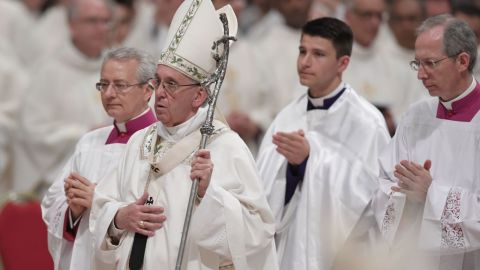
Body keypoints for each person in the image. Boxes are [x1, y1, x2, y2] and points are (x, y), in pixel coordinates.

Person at [90, 0, 278, 269]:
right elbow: (102, 208)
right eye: (158, 81)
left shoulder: (224, 147)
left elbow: (258, 233)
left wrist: (208, 195)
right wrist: (120, 217)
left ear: (199, 95)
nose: (160, 93)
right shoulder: (139, 142)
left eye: (172, 84)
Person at [256, 17, 390, 270]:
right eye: (302, 51)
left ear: (343, 63)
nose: (305, 62)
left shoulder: (367, 122)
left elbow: (374, 201)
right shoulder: (286, 117)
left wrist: (310, 161)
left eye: (318, 54)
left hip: (341, 256)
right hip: (289, 247)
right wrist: (294, 169)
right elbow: (262, 189)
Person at [373, 14, 480, 270]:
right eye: (417, 63)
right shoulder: (416, 116)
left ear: (462, 61)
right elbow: (385, 183)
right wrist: (407, 197)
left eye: (430, 63)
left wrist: (430, 193)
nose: (421, 74)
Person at [41, 47, 157, 270]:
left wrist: (96, 200)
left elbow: (157, 210)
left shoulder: (161, 143)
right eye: (103, 84)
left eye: (120, 85)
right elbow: (52, 201)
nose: (109, 94)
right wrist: (73, 210)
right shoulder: (90, 142)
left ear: (148, 90)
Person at [13, 0, 112, 193]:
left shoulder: (118, 67)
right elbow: (32, 131)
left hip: (108, 181)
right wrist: (86, 133)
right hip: (60, 184)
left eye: (106, 21)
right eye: (92, 21)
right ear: (72, 25)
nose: (101, 28)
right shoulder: (49, 72)